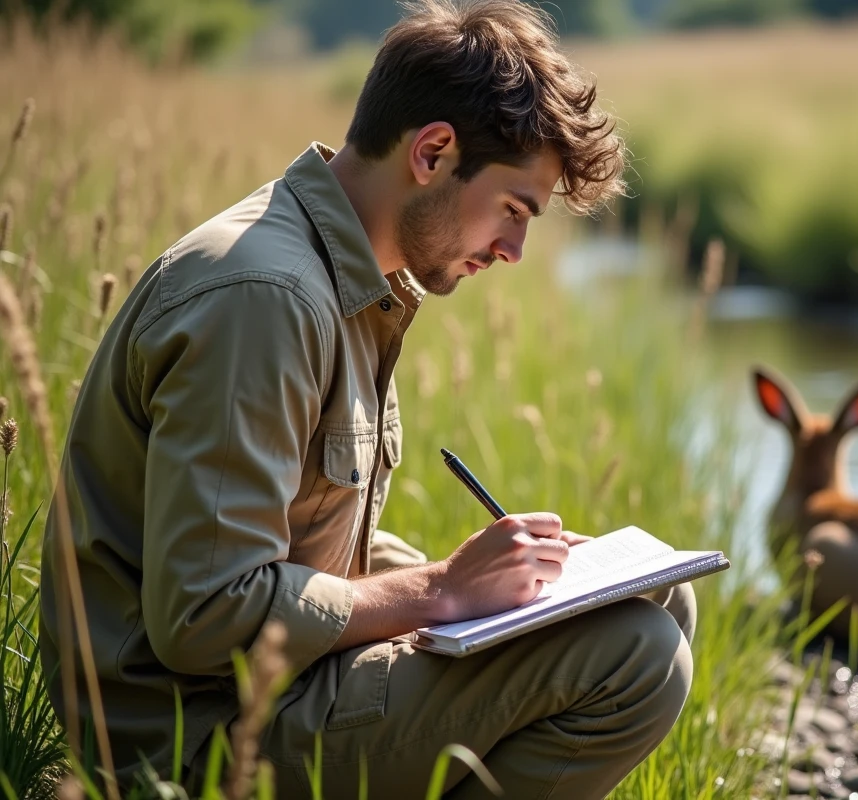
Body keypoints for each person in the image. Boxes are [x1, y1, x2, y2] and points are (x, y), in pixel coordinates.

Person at [37, 1, 696, 797]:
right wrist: (443, 590)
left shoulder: (342, 279)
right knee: (640, 657)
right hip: (192, 744)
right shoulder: (265, 297)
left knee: (661, 598)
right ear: (433, 151)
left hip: (272, 688)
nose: (515, 250)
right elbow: (205, 615)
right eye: (514, 210)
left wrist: (514, 582)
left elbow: (301, 548)